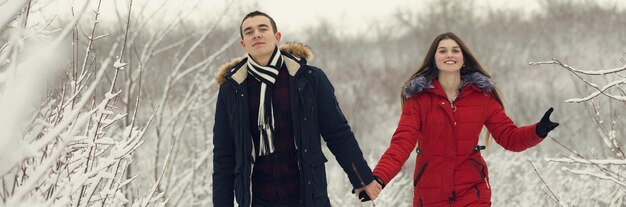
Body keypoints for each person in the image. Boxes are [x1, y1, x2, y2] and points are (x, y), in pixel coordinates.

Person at [365, 32, 559, 206]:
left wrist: (537, 130)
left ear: (463, 58)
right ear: (434, 59)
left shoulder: (482, 97)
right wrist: (379, 178)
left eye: (455, 50)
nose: (449, 54)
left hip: (473, 192)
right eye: (442, 51)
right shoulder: (418, 100)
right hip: (431, 194)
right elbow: (401, 145)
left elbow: (509, 137)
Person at [212, 11, 379, 207]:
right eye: (249, 32)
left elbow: (337, 133)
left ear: (277, 37)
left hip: (306, 195)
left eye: (262, 29)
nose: (256, 34)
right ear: (243, 44)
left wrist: (361, 178)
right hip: (257, 199)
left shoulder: (309, 79)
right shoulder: (231, 90)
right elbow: (224, 155)